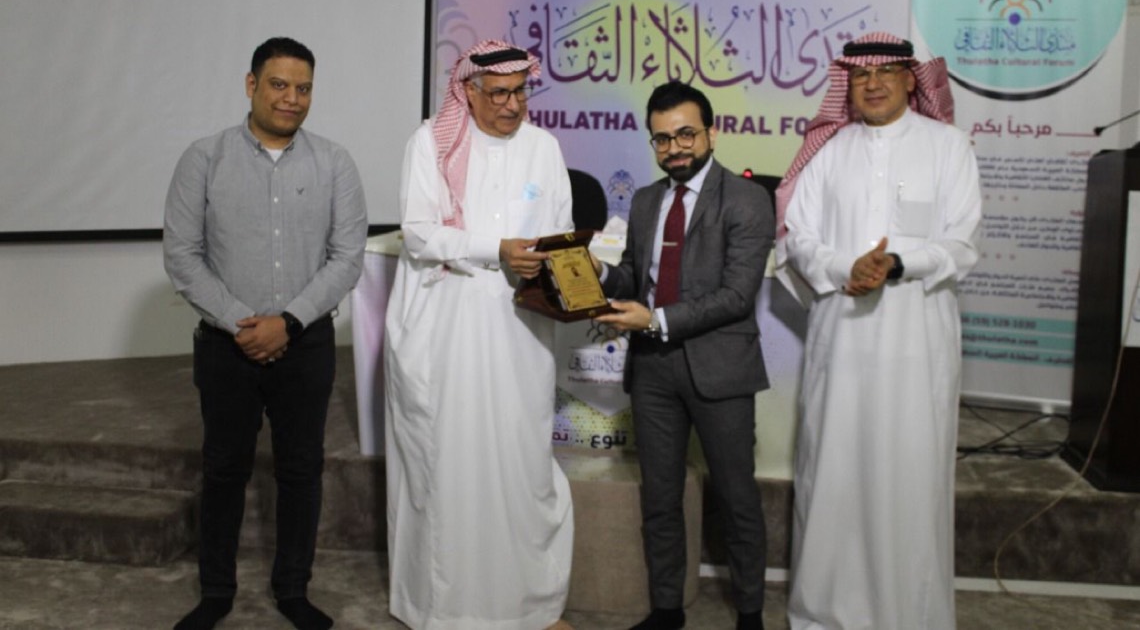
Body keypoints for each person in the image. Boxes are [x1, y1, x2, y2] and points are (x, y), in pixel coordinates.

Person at [775, 32, 982, 630]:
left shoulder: (948, 147)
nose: (872, 84)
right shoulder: (828, 151)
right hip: (840, 339)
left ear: (911, 80)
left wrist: (895, 264)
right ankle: (824, 615)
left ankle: (906, 615)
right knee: (833, 472)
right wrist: (848, 267)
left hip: (917, 340)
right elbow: (798, 238)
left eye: (886, 73)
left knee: (910, 474)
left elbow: (962, 242)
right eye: (861, 75)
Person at [163, 37, 367, 630]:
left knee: (301, 470)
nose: (291, 98)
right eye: (279, 85)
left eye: (303, 88)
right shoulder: (203, 159)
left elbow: (346, 258)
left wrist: (289, 322)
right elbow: (183, 256)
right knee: (224, 468)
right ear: (251, 85)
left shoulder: (335, 163)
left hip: (307, 346)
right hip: (226, 346)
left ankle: (293, 590)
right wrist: (243, 324)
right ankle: (216, 593)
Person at [384, 40, 575, 630]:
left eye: (520, 92)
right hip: (448, 329)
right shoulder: (431, 143)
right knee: (450, 468)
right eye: (498, 94)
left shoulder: (544, 147)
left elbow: (561, 229)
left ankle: (530, 606)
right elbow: (419, 232)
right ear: (468, 92)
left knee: (522, 464)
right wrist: (494, 250)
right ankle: (447, 610)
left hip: (521, 333)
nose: (512, 105)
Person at [593, 80, 772, 630]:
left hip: (721, 369)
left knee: (737, 499)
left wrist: (656, 320)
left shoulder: (747, 199)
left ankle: (750, 616)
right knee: (660, 499)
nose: (675, 148)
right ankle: (666, 611)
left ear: (711, 133)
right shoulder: (646, 200)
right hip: (653, 370)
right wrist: (597, 272)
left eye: (686, 134)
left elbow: (736, 296)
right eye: (662, 139)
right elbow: (635, 277)